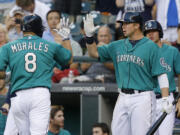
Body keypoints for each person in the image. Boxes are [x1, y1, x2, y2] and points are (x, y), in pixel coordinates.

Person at [83, 12, 172, 135]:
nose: (122, 27)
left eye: (126, 23)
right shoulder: (117, 45)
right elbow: (94, 53)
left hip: (143, 97)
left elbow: (161, 74)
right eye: (122, 24)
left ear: (136, 25)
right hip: (123, 96)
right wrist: (89, 36)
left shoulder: (151, 47)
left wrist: (165, 98)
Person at [0, 14, 73, 135]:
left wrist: (9, 76)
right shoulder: (51, 45)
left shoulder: (7, 47)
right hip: (39, 94)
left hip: (18, 96)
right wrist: (65, 38)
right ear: (40, 30)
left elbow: (0, 74)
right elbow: (69, 60)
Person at [144, 20, 180, 135]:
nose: (150, 34)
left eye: (153, 31)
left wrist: (179, 99)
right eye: (147, 32)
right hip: (147, 99)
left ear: (160, 32)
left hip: (167, 99)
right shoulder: (142, 52)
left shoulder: (172, 51)